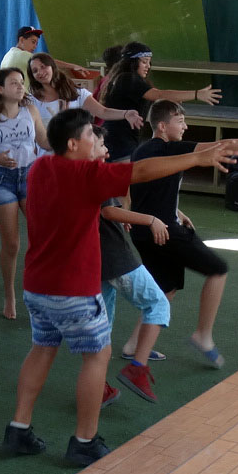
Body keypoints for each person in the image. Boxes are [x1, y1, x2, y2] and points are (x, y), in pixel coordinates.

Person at [3, 109, 234, 466]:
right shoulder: (86, 175)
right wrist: (197, 158)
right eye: (91, 136)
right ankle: (85, 441)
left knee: (42, 349)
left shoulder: (40, 168)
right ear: (73, 144)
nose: (98, 141)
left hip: (37, 286)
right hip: (74, 290)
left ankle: (18, 429)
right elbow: (140, 172)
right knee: (97, 356)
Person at [131, 101, 238, 370]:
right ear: (162, 126)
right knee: (218, 269)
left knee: (165, 288)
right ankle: (203, 335)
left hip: (143, 231)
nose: (185, 126)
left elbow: (146, 192)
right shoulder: (171, 148)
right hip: (165, 231)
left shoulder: (142, 151)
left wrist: (175, 210)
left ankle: (134, 345)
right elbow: (225, 144)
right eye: (180, 121)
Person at [0, 67, 47, 320]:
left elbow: (44, 141)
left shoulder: (30, 110)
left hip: (30, 177)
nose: (20, 86)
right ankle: (10, 295)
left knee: (41, 236)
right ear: (0, 89)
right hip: (1, 180)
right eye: (14, 83)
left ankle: (41, 289)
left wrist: (70, 142)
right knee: (12, 244)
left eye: (21, 82)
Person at [96, 172, 173, 404]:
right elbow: (107, 211)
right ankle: (137, 368)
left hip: (94, 259)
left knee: (102, 329)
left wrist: (123, 216)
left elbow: (107, 210)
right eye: (101, 150)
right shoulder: (92, 171)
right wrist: (150, 220)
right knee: (158, 304)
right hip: (115, 258)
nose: (105, 153)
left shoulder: (67, 170)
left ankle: (97, 387)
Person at [96, 48, 222, 161]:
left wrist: (171, 99)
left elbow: (154, 97)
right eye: (144, 62)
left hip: (125, 140)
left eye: (149, 62)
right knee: (124, 177)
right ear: (132, 62)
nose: (148, 66)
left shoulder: (130, 80)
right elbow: (158, 94)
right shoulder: (128, 79)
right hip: (119, 142)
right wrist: (197, 94)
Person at [28, 52, 147, 128]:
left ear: (53, 67)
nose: (40, 72)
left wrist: (125, 114)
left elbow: (103, 112)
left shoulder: (77, 93)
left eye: (43, 67)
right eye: (35, 71)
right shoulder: (31, 100)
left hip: (74, 155)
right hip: (44, 157)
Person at [0, 26, 91, 82]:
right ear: (21, 40)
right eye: (33, 42)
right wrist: (73, 66)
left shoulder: (8, 55)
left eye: (36, 43)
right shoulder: (22, 55)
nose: (35, 46)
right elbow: (48, 61)